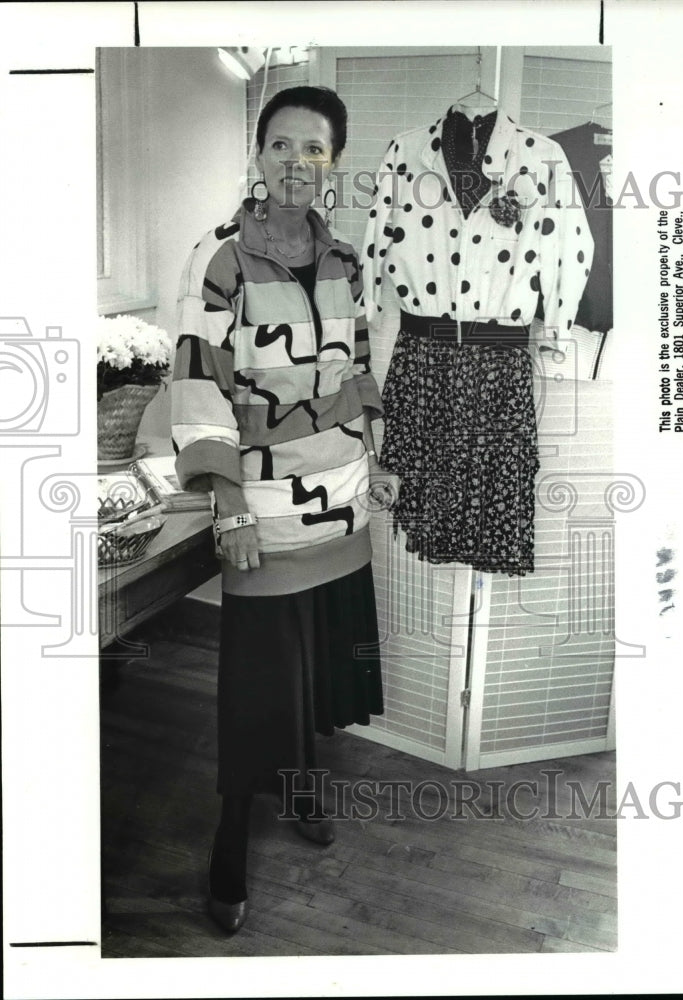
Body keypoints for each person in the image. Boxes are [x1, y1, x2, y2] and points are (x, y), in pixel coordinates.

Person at [171, 86, 394, 934]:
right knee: (257, 682)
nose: (299, 162)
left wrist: (376, 453)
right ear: (259, 155)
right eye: (283, 145)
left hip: (339, 495)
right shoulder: (220, 256)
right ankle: (231, 840)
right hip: (263, 504)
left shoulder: (344, 260)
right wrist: (227, 503)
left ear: (333, 161)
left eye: (317, 149)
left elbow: (363, 363)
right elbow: (196, 378)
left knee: (319, 662)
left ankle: (303, 786)